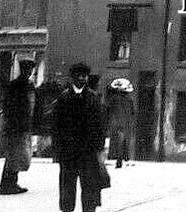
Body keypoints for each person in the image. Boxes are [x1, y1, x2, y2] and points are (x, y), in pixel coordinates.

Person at [53, 62, 108, 212]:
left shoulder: (94, 98)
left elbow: (100, 124)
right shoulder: (63, 98)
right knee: (67, 187)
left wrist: (99, 147)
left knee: (89, 187)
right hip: (68, 152)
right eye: (79, 76)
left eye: (84, 76)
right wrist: (58, 150)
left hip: (88, 152)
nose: (82, 79)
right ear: (72, 78)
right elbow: (56, 126)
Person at [0, 59, 37, 195]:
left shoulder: (25, 85)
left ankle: (9, 183)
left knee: (16, 155)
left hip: (21, 125)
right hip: (16, 126)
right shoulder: (18, 86)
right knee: (15, 155)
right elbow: (9, 106)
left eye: (30, 70)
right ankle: (8, 185)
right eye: (27, 70)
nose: (29, 72)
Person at [105, 77, 136, 168]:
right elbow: (132, 112)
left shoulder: (113, 98)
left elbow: (108, 109)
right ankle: (122, 159)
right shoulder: (129, 99)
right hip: (125, 122)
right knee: (122, 141)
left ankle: (118, 159)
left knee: (115, 141)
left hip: (115, 122)